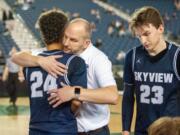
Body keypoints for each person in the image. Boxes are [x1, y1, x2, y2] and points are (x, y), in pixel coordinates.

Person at [12, 18, 119, 135]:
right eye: (65, 37)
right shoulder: (62, 50)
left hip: (93, 131)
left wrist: (74, 92)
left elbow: (112, 96)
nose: (66, 43)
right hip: (68, 129)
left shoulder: (98, 59)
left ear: (86, 43)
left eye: (73, 40)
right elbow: (17, 57)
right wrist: (39, 60)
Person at [22, 9, 87, 135]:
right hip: (63, 128)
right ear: (65, 33)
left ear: (42, 34)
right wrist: (69, 113)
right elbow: (77, 102)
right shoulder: (75, 61)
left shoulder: (29, 65)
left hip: (35, 129)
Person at [122, 6, 180, 135]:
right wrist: (125, 129)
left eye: (147, 34)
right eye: (139, 36)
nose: (143, 41)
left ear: (160, 28)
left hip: (170, 131)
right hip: (142, 130)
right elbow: (128, 96)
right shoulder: (132, 56)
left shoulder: (177, 56)